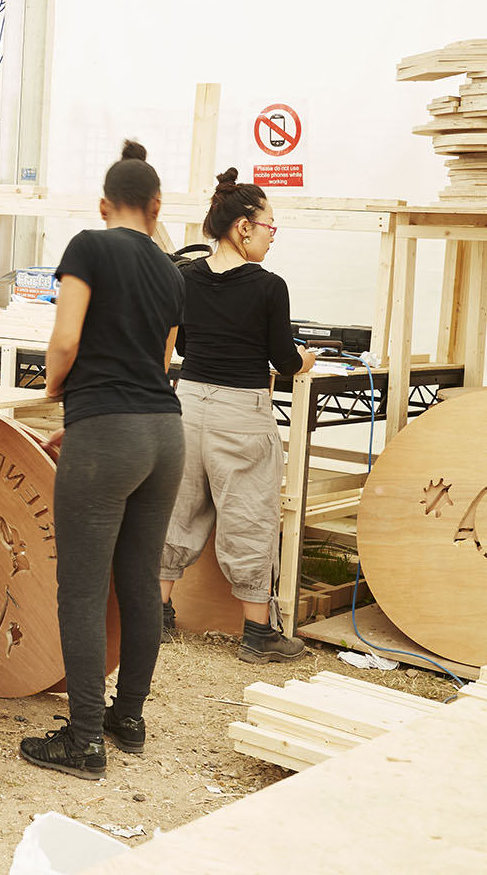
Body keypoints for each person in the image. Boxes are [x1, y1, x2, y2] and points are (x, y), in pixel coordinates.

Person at [19, 140, 186, 780]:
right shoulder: (173, 273)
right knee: (139, 583)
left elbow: (65, 339)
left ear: (103, 204)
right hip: (164, 435)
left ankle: (84, 738)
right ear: (156, 207)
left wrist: (60, 393)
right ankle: (128, 717)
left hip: (106, 431)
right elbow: (162, 359)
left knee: (82, 591)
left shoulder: (88, 246)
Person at [158, 168, 316, 662]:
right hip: (241, 414)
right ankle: (258, 635)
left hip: (188, 405)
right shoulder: (269, 286)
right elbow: (283, 361)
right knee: (249, 519)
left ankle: (157, 616)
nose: (272, 236)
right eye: (270, 225)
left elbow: (182, 343)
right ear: (244, 226)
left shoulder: (184, 276)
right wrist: (305, 359)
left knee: (176, 509)